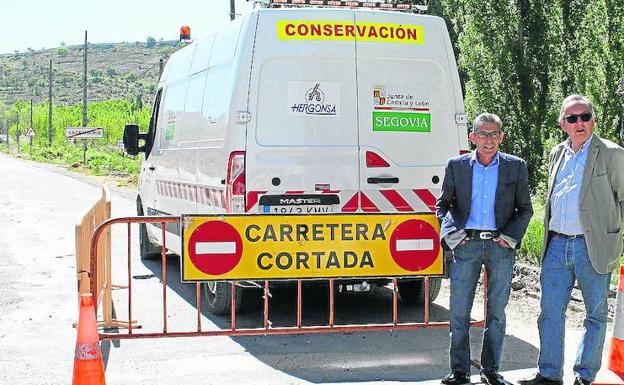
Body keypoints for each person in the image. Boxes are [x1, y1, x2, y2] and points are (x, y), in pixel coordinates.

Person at [519, 94, 624, 385]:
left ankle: (584, 375)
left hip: (593, 246)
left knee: (595, 314)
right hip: (556, 244)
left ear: (593, 120)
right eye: (573, 118)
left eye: (585, 116)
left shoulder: (613, 154)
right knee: (550, 311)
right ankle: (549, 374)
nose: (580, 123)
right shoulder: (556, 154)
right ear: (562, 123)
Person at [436, 112, 533, 385]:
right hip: (466, 246)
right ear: (472, 137)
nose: (488, 140)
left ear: (501, 137)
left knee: (497, 312)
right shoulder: (457, 166)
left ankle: (490, 370)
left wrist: (509, 237)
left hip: (500, 246)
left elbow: (525, 209)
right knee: (459, 311)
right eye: (482, 134)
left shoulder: (515, 166)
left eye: (493, 134)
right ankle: (459, 371)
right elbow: (443, 206)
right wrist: (453, 236)